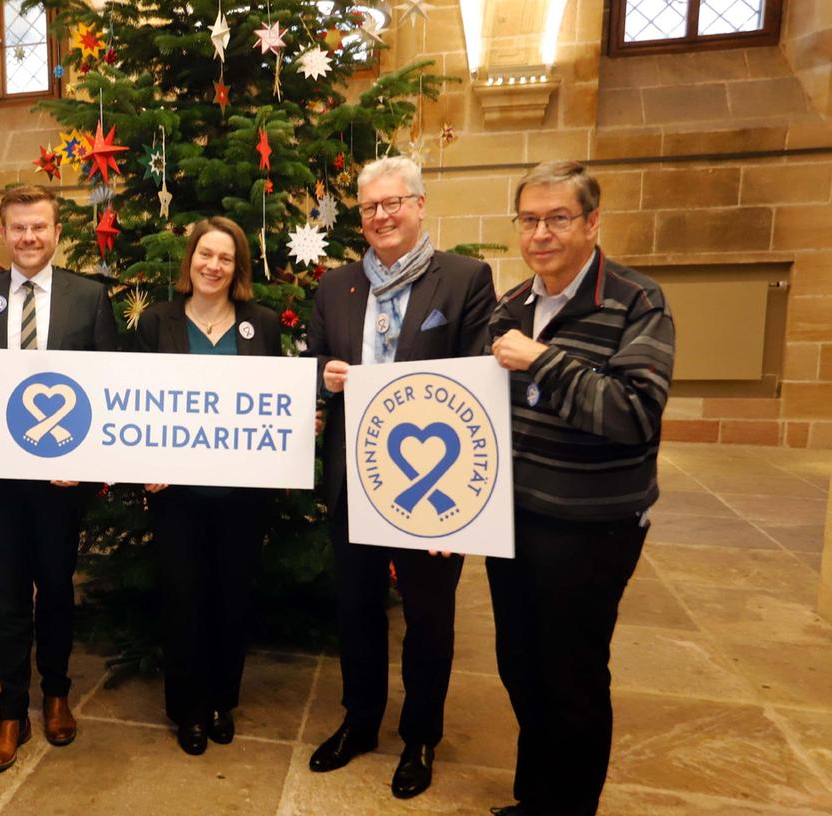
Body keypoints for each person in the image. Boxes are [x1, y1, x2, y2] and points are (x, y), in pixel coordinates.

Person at [486, 160, 674, 816]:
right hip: (512, 521)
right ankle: (535, 798)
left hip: (591, 526)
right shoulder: (509, 307)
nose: (540, 233)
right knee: (519, 663)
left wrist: (542, 360)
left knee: (571, 676)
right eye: (529, 219)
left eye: (557, 218)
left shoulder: (635, 301)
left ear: (591, 223)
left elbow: (631, 414)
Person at [306, 157, 496, 799]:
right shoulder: (335, 286)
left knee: (428, 616)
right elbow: (311, 364)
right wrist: (323, 376)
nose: (382, 216)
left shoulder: (466, 279)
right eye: (369, 208)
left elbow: (479, 385)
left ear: (419, 204)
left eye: (394, 203)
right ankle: (359, 721)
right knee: (356, 609)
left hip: (431, 486)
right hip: (353, 478)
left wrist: (470, 509)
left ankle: (420, 737)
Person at [0, 184, 119, 773]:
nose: (28, 238)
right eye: (18, 228)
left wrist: (88, 461)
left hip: (62, 480)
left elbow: (108, 388)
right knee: (8, 598)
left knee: (57, 592)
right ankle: (11, 710)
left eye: (39, 227)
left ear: (55, 230)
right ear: (3, 232)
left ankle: (57, 693)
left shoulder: (88, 297)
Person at [134, 216, 282, 756]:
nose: (213, 266)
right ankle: (188, 709)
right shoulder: (156, 322)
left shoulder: (261, 324)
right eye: (205, 255)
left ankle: (223, 701)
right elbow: (136, 401)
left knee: (232, 600)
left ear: (237, 267)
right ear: (190, 259)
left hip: (243, 498)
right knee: (183, 601)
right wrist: (144, 462)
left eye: (224, 258)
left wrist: (292, 426)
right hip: (178, 498)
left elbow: (274, 397)